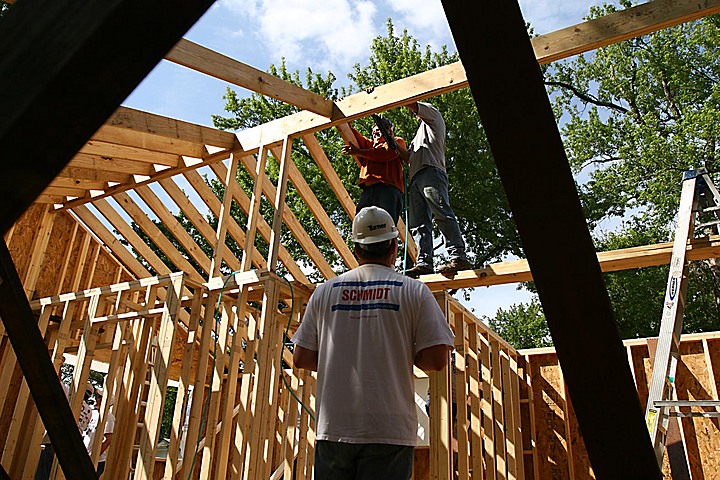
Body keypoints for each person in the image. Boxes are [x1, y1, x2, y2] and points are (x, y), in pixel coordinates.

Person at [292, 206, 455, 480]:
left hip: (335, 429)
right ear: (394, 245)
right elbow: (437, 361)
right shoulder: (414, 291)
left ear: (357, 250)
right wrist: (400, 352)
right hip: (389, 431)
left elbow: (301, 358)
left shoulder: (324, 292)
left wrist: (342, 361)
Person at [398, 101, 472, 278]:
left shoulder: (433, 117)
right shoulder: (418, 136)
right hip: (416, 177)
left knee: (441, 212)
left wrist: (393, 98)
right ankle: (424, 262)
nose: (414, 115)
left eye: (416, 112)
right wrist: (395, 146)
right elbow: (409, 157)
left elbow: (413, 104)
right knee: (419, 224)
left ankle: (458, 256)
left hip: (431, 171)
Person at [341, 116, 407, 225]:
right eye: (373, 132)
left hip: (388, 190)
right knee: (362, 225)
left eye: (378, 131)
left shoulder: (397, 142)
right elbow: (352, 134)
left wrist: (359, 152)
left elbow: (384, 154)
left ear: (389, 132)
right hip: (368, 190)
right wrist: (346, 117)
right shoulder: (369, 146)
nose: (375, 133)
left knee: (386, 226)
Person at [35, 382, 95, 480]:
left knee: (44, 473)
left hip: (55, 441)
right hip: (72, 447)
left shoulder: (70, 399)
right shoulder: (89, 411)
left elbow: (57, 382)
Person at [84, 387, 114, 476]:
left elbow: (108, 439)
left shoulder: (108, 417)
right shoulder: (93, 413)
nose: (96, 399)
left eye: (99, 397)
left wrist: (95, 456)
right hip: (85, 456)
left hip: (96, 460)